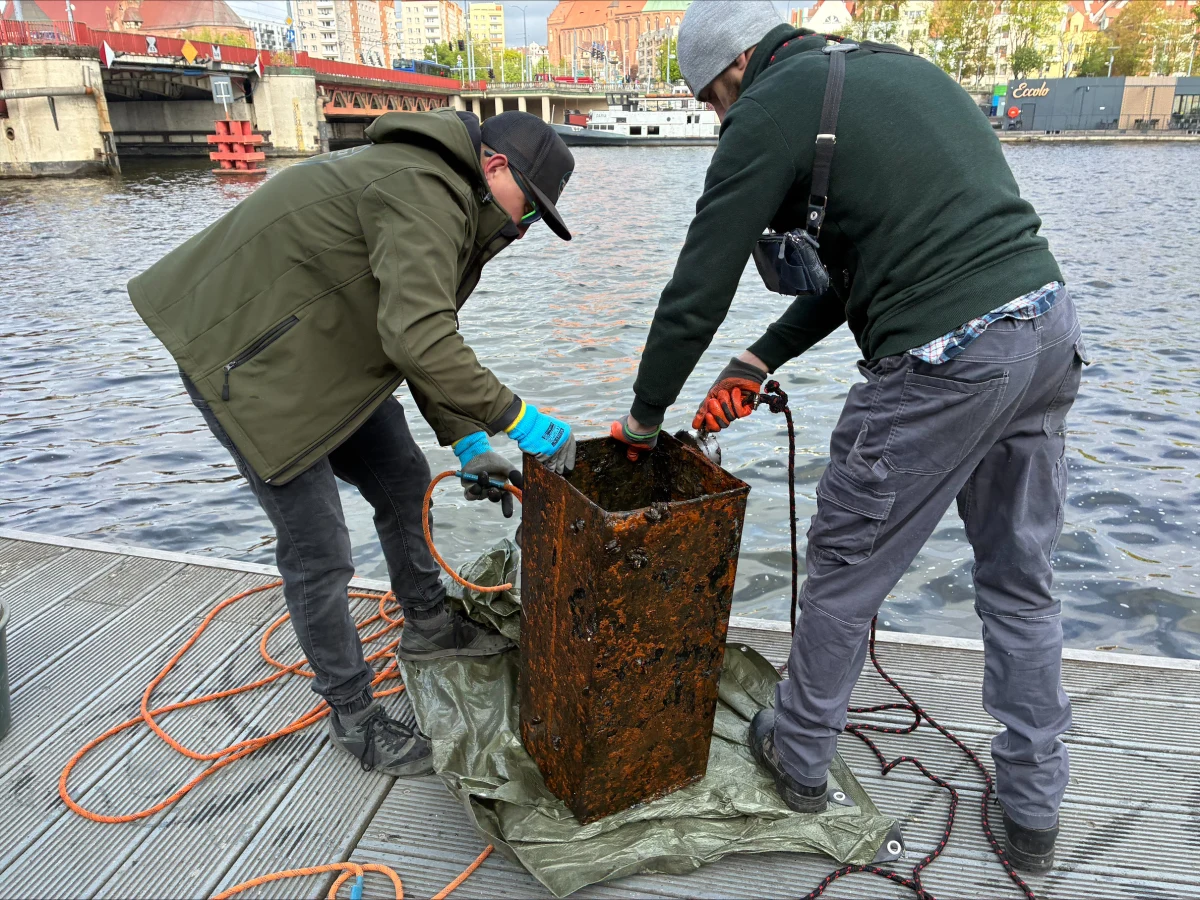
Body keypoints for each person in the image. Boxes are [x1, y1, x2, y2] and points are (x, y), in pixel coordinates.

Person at [608, 1, 1086, 875]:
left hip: (945, 358)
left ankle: (797, 758)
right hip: (1046, 329)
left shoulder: (768, 107)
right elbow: (868, 269)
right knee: (1022, 584)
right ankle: (1034, 816)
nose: (723, 122)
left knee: (842, 572)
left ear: (733, 71)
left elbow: (697, 283)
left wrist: (644, 416)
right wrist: (756, 359)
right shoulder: (889, 70)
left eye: (714, 103)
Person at [129, 109, 577, 779]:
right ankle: (354, 715)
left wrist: (466, 438)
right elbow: (419, 339)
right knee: (320, 553)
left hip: (315, 356)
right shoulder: (425, 189)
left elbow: (423, 340)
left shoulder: (455, 201)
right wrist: (519, 419)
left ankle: (427, 621)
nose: (527, 224)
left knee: (400, 476)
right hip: (241, 363)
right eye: (531, 205)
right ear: (494, 168)